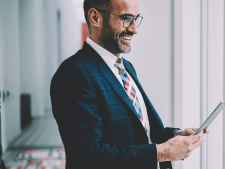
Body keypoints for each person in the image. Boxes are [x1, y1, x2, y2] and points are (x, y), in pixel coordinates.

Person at [50, 0, 209, 168]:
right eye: (126, 18)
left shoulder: (126, 66)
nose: (134, 29)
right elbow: (87, 154)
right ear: (95, 17)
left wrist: (175, 136)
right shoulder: (74, 73)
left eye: (136, 18)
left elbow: (137, 132)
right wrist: (161, 153)